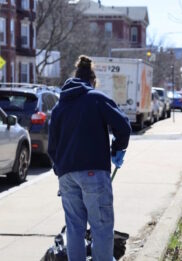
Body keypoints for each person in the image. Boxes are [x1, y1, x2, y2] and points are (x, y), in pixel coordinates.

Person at [48, 55, 131, 261]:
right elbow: (123, 126)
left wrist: (61, 170)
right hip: (93, 171)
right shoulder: (96, 98)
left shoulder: (59, 108)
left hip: (66, 175)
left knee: (75, 227)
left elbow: (52, 148)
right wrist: (117, 149)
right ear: (92, 81)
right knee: (101, 226)